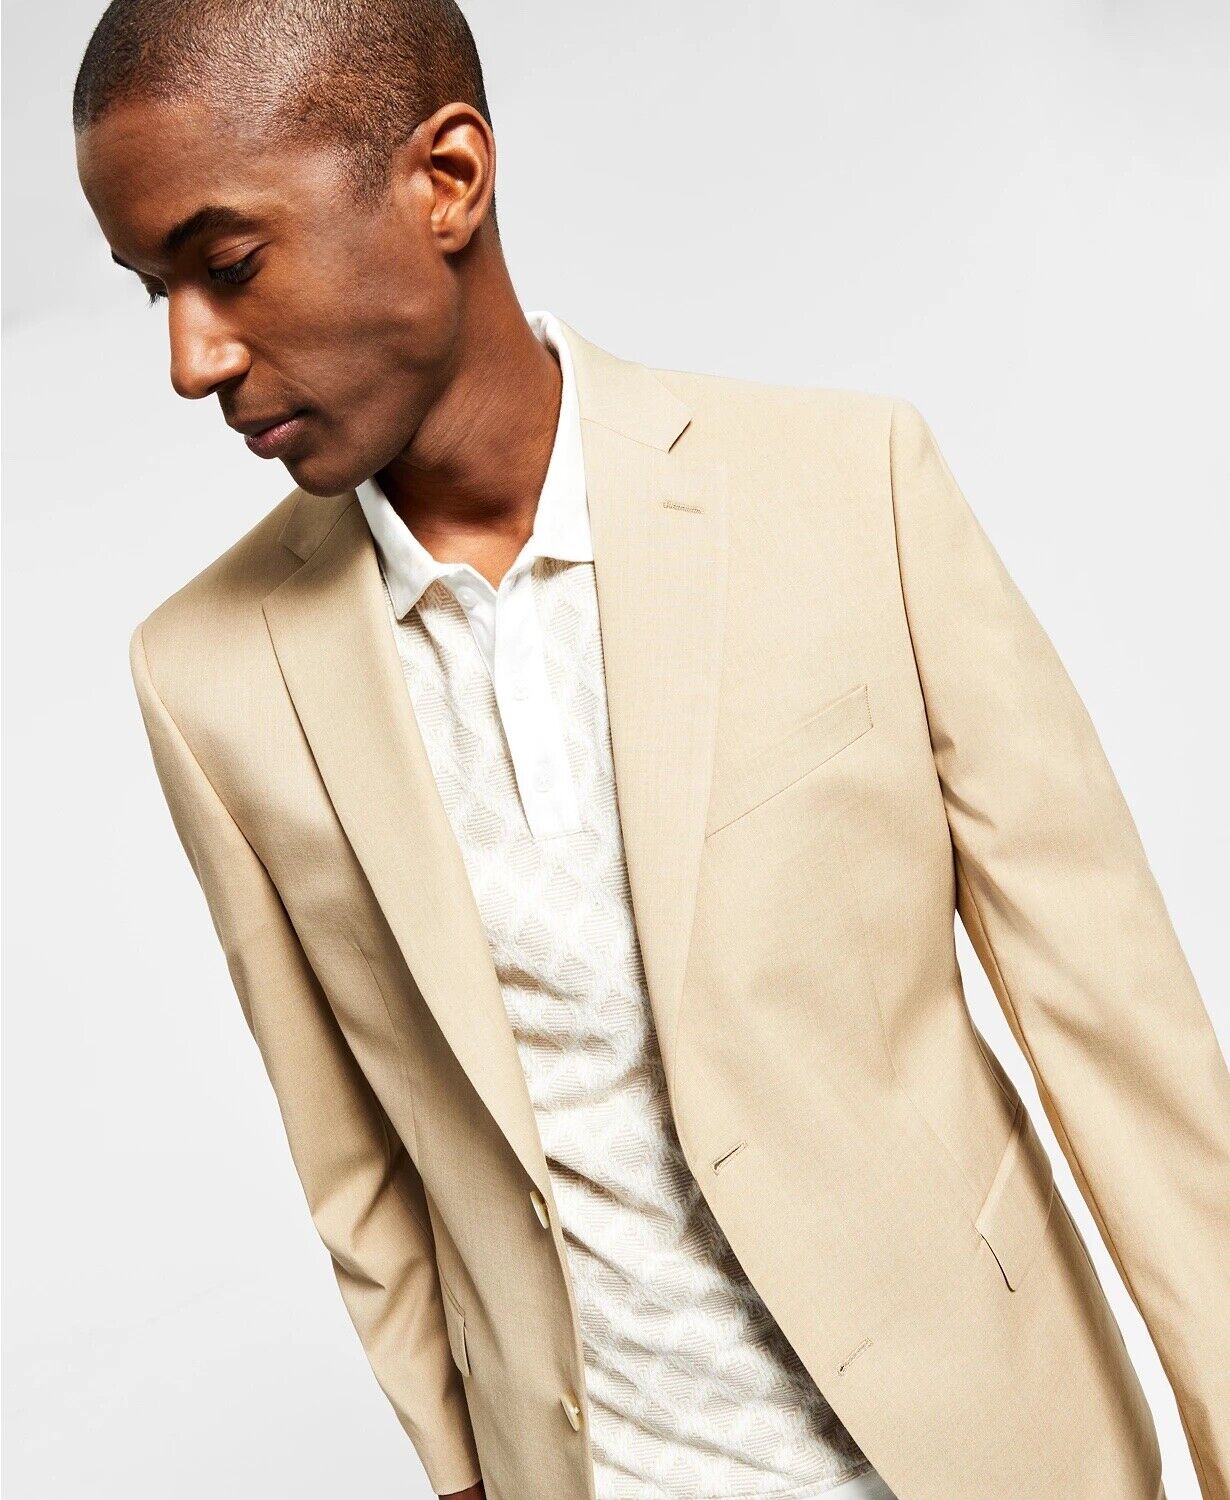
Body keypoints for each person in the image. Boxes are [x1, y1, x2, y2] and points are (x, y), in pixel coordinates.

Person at [73, 2, 1229, 1497]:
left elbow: (1119, 1035)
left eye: (226, 263)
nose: (189, 358)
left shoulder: (846, 487)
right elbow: (350, 1158)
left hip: (982, 1449)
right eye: (150, 289)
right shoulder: (207, 675)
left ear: (447, 180)